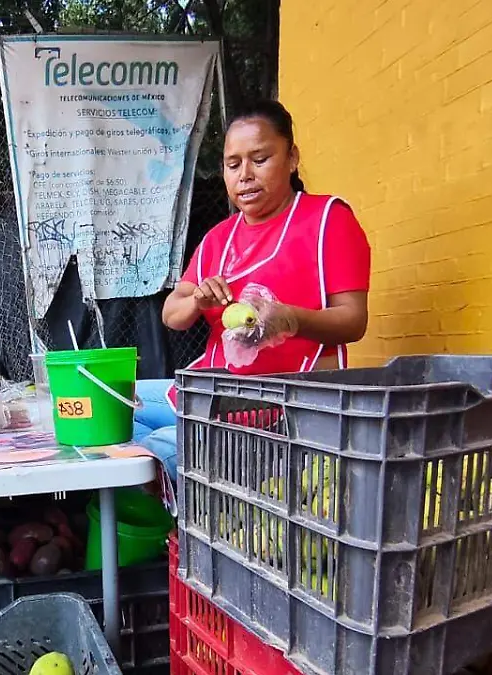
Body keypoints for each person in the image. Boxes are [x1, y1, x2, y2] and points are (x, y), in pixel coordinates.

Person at [134, 100, 372, 478]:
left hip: (288, 403)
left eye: (260, 159)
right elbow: (171, 314)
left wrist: (289, 319)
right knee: (110, 410)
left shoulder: (328, 220)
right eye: (233, 164)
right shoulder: (220, 238)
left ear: (292, 158)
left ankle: (183, 522)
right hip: (213, 392)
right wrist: (197, 299)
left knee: (156, 448)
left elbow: (354, 321)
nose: (244, 175)